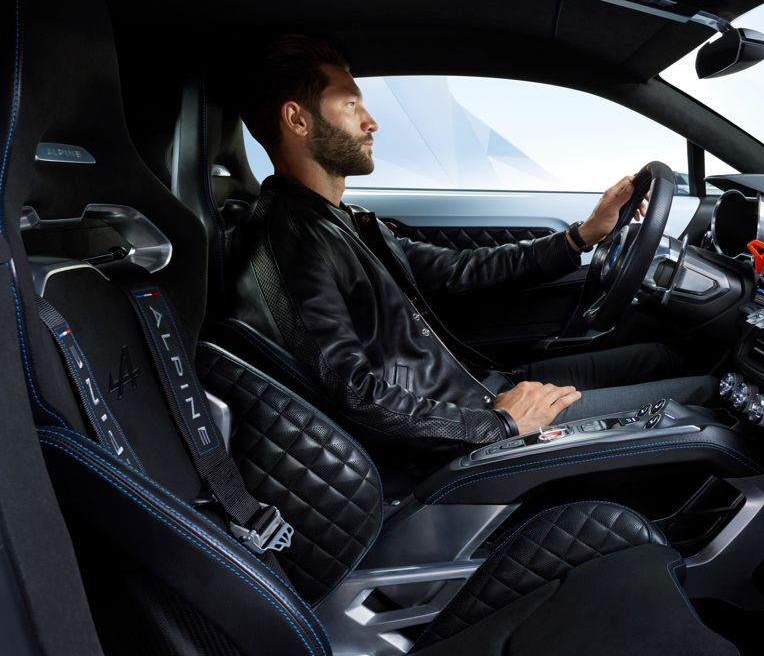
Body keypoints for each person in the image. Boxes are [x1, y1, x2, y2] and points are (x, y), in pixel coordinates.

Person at [225, 34, 714, 458]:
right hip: (467, 420)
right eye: (351, 104)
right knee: (703, 398)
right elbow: (354, 396)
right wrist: (499, 424)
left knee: (660, 357)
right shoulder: (291, 242)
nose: (371, 122)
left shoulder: (345, 221)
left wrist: (582, 235)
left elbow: (461, 270)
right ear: (297, 119)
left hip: (477, 386)